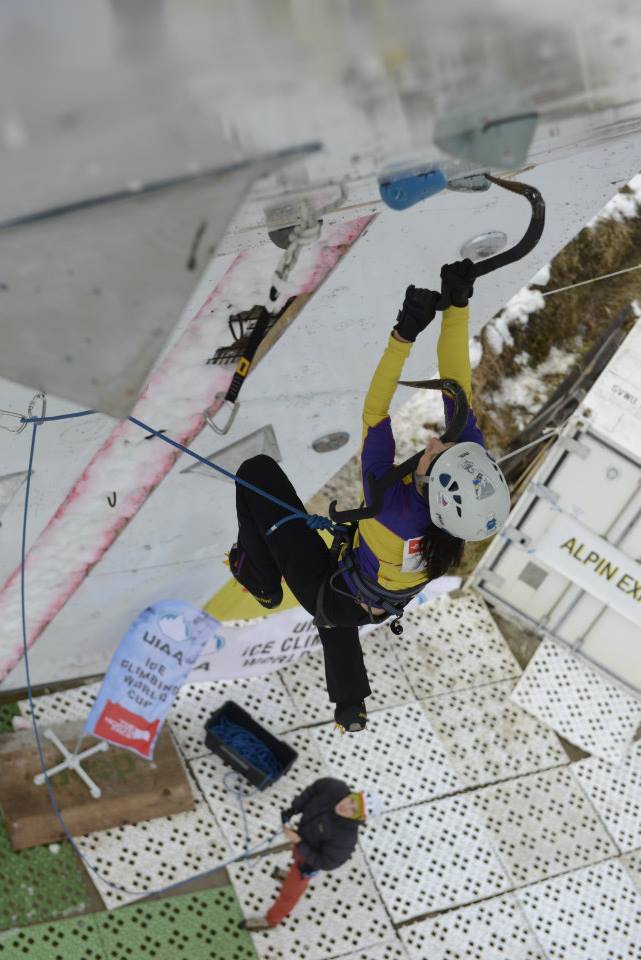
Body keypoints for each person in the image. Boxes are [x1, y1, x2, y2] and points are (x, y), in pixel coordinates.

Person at [230, 260, 510, 732]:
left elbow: (375, 409)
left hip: (335, 589)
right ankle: (350, 705)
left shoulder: (391, 507)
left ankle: (258, 579)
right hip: (374, 588)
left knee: (256, 475)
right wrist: (458, 304)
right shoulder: (465, 471)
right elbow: (456, 388)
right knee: (338, 623)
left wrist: (404, 333)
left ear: (435, 493)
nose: (436, 444)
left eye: (434, 457)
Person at [240, 777, 381, 931]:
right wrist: (293, 809)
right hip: (302, 839)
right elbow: (312, 791)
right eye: (352, 800)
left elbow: (327, 863)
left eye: (354, 810)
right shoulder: (333, 787)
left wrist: (300, 843)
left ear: (359, 818)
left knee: (290, 893)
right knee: (295, 857)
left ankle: (271, 920)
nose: (346, 806)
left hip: (308, 864)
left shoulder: (345, 838)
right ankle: (290, 875)